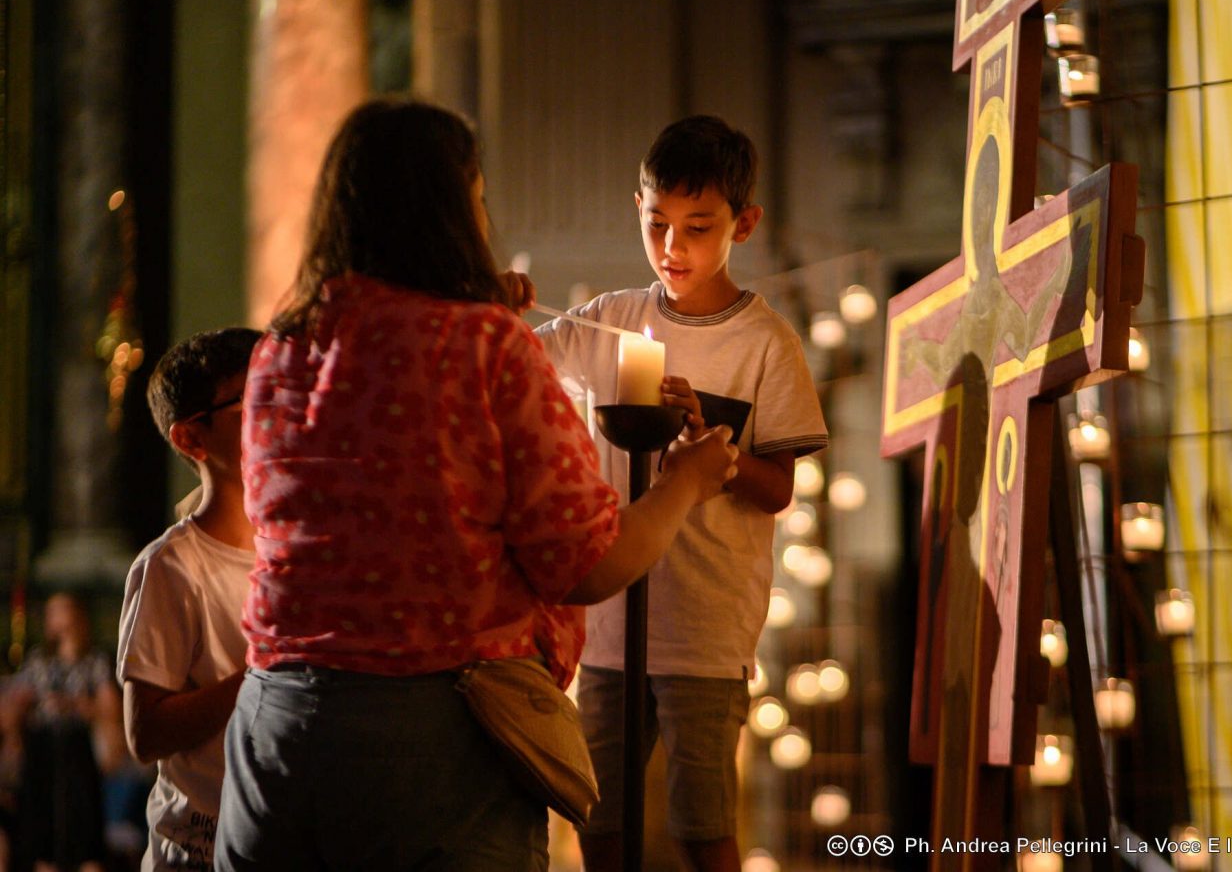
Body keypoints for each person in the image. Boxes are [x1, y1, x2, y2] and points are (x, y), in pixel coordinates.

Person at [212, 97, 739, 872]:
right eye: (477, 197)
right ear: (452, 208)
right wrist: (685, 482)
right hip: (432, 743)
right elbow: (587, 561)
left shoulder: (284, 349)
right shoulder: (484, 345)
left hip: (276, 731)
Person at [537, 114, 829, 871]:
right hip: (606, 615)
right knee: (595, 819)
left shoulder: (765, 342)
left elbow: (780, 488)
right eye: (657, 223)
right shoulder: (610, 321)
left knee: (704, 826)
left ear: (746, 223)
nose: (673, 248)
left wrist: (717, 450)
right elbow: (517, 358)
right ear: (637, 205)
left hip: (705, 625)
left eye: (698, 228)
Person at [115, 327, 261, 870]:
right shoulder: (171, 566)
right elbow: (145, 732)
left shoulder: (297, 547)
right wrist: (259, 678)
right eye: (252, 401)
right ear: (191, 439)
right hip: (199, 845)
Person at [2, 592, 120, 872]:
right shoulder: (38, 661)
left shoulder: (94, 661)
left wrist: (77, 704)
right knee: (44, 836)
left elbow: (110, 710)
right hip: (43, 752)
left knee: (84, 833)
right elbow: (16, 703)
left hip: (78, 753)